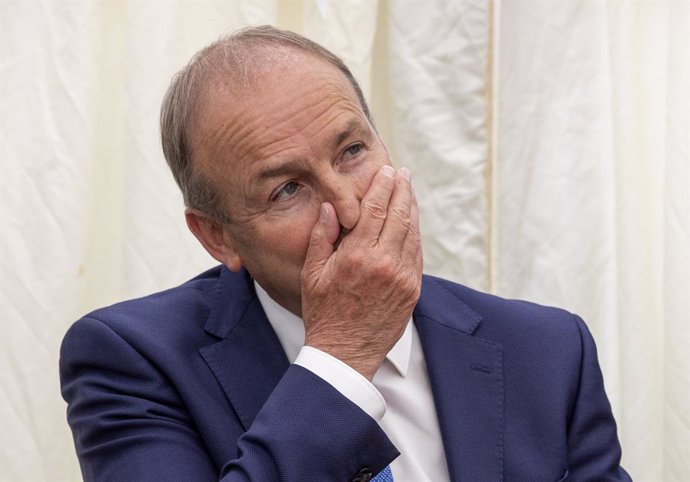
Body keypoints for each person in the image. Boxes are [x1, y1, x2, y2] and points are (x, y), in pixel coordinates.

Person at [60, 26, 631, 481]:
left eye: (353, 150)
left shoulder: (551, 351)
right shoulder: (131, 361)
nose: (350, 208)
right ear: (218, 237)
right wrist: (343, 356)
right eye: (287, 189)